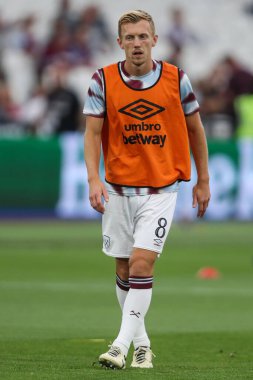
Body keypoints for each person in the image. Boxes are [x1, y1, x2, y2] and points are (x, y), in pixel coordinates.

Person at [83, 10, 210, 370]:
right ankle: (143, 344)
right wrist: (94, 179)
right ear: (119, 42)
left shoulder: (176, 79)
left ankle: (119, 347)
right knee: (124, 270)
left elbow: (196, 130)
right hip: (118, 191)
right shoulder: (103, 80)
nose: (136, 44)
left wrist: (203, 180)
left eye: (143, 37)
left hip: (161, 189)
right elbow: (92, 134)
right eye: (130, 38)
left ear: (154, 40)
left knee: (142, 263)